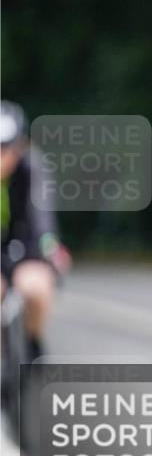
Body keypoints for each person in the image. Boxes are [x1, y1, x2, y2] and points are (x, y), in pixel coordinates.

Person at [1, 100, 69, 360]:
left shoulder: (33, 167)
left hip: (27, 246)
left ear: (19, 145)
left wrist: (50, 246)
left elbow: (43, 215)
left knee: (35, 289)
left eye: (5, 148)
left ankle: (33, 342)